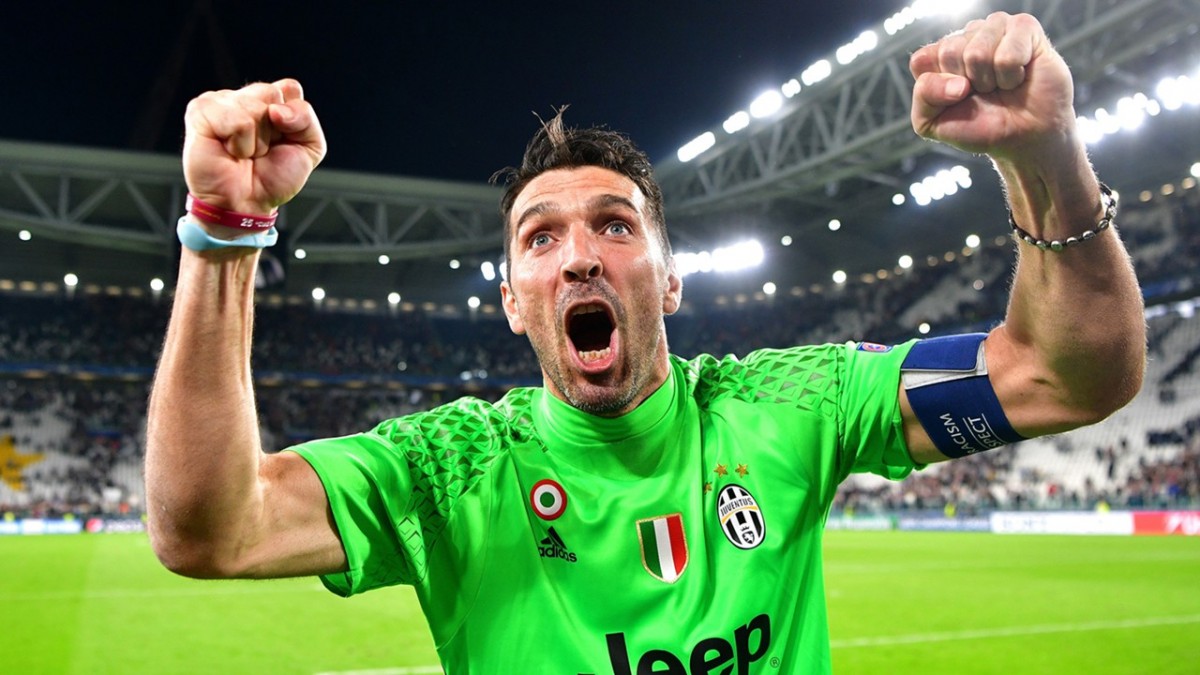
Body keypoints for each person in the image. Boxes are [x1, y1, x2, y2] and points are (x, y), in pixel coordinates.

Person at [145, 12, 1145, 674]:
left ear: (668, 281)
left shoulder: (791, 406)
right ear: (513, 301)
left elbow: (1069, 375)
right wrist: (224, 232)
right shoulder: (449, 470)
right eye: (541, 237)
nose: (581, 256)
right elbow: (209, 530)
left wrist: (1044, 155)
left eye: (615, 225)